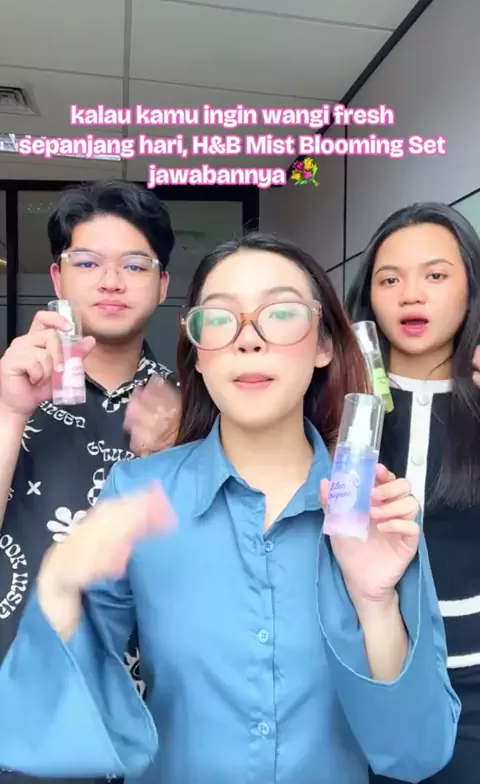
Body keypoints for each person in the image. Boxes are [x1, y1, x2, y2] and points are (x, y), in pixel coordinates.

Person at [0, 233, 460, 784]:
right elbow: (53, 734)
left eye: (281, 313)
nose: (249, 341)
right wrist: (58, 590)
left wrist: (376, 604)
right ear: (197, 351)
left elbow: (415, 755)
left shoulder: (374, 509)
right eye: (219, 319)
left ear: (324, 345)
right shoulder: (139, 493)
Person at [0, 180, 180, 784]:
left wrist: (175, 459)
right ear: (57, 277)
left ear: (163, 284)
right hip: (19, 700)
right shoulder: (9, 383)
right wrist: (9, 413)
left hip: (144, 716)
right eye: (87, 263)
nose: (110, 281)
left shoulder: (191, 407)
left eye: (134, 265)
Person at [346, 202, 480, 784]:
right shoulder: (332, 399)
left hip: (473, 682)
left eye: (436, 275)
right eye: (390, 280)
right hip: (358, 677)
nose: (411, 296)